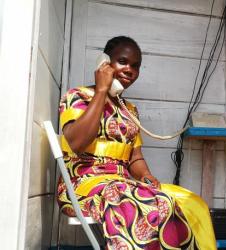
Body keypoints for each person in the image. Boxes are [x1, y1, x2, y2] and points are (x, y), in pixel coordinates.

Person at [57, 36, 216, 250]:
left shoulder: (129, 110)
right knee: (137, 201)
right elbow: (77, 142)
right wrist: (102, 91)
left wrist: (145, 175)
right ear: (104, 62)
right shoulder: (77, 96)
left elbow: (135, 157)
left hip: (124, 184)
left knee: (188, 203)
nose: (130, 70)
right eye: (122, 61)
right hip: (83, 184)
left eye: (136, 65)